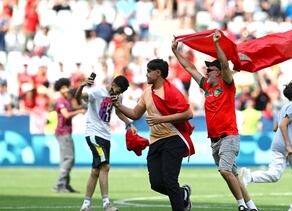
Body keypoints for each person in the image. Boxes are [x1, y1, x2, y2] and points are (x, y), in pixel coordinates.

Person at [172, 30, 258, 211]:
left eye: (210, 69)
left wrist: (217, 44)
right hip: (215, 140)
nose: (207, 71)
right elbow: (190, 68)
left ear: (218, 72)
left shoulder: (227, 84)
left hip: (229, 136)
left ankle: (241, 206)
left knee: (225, 171)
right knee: (232, 174)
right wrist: (176, 52)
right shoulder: (206, 87)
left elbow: (226, 66)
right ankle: (252, 207)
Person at [112, 59, 194, 211]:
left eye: (149, 71)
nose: (146, 74)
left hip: (174, 138)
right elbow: (136, 114)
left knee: (170, 181)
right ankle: (182, 194)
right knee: (156, 183)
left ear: (158, 73)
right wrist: (119, 105)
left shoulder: (171, 91)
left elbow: (188, 113)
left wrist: (161, 119)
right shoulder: (147, 93)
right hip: (156, 141)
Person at [239, 81, 292, 211]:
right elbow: (282, 125)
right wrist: (289, 145)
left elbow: (276, 126)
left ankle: (250, 176)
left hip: (277, 144)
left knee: (275, 175)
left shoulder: (284, 106)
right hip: (288, 146)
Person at [75, 75, 137, 211]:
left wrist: (129, 124)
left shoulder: (117, 97)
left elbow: (119, 113)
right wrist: (81, 85)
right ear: (113, 84)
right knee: (105, 167)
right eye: (118, 90)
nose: (118, 94)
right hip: (94, 133)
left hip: (105, 136)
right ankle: (106, 204)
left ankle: (85, 205)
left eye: (121, 92)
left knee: (95, 171)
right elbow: (79, 97)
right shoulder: (97, 91)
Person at [53, 78, 86, 193]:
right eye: (63, 87)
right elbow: (66, 115)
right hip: (63, 132)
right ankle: (60, 184)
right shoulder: (60, 101)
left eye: (67, 86)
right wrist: (79, 111)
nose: (66, 89)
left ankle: (65, 184)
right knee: (69, 158)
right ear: (59, 90)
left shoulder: (66, 100)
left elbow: (74, 107)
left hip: (65, 132)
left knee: (66, 159)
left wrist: (83, 107)